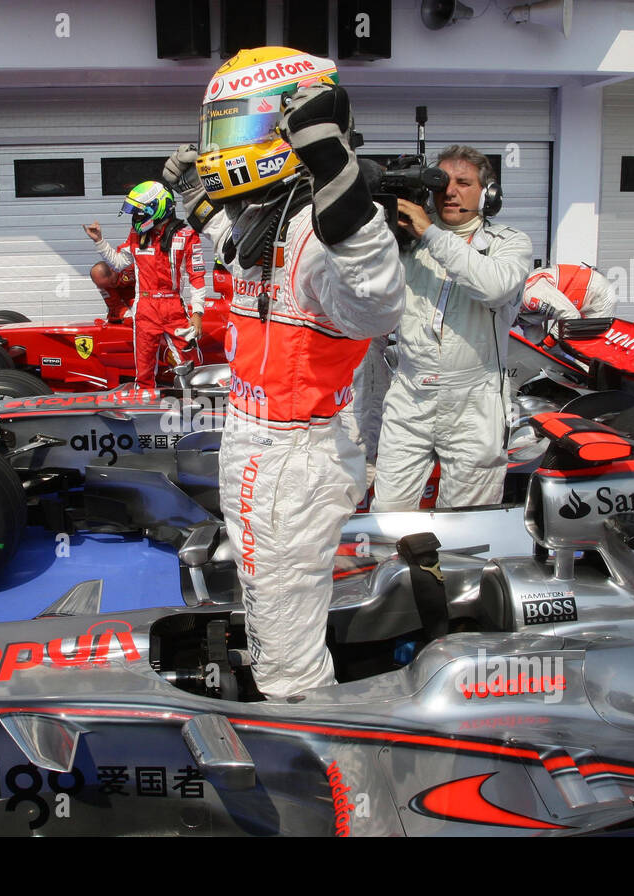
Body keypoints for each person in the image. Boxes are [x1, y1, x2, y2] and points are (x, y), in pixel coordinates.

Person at [164, 46, 404, 698]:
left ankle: (312, 761)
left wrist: (337, 174)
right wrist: (195, 202)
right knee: (269, 605)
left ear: (290, 127)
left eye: (238, 128)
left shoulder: (323, 232)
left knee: (285, 659)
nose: (221, 149)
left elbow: (377, 300)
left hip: (289, 454)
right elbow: (238, 256)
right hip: (264, 446)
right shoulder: (272, 219)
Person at [370, 145, 532, 512]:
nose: (451, 191)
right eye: (442, 182)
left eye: (464, 183)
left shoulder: (509, 243)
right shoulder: (406, 243)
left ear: (488, 193)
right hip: (410, 393)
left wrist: (430, 234)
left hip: (474, 402)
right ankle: (392, 569)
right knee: (388, 512)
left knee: (466, 520)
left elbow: (493, 287)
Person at [83, 181, 206, 388]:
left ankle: (195, 401)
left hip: (173, 305)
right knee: (144, 369)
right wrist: (99, 241)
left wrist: (198, 313)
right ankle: (145, 405)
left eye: (140, 211)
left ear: (156, 207)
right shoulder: (137, 235)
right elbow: (119, 263)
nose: (136, 217)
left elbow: (197, 276)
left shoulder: (186, 235)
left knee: (192, 361)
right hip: (145, 308)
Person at [518, 262, 617, 340]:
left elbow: (571, 316)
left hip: (597, 293)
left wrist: (549, 341)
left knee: (586, 348)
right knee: (557, 343)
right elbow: (535, 340)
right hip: (575, 301)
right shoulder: (517, 307)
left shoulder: (530, 294)